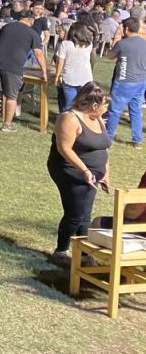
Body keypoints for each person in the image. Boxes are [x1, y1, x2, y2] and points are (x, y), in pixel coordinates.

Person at [47, 82, 112, 265]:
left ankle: (83, 254)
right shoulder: (69, 118)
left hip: (92, 174)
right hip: (70, 171)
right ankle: (61, 251)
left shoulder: (97, 119)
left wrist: (105, 172)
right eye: (105, 107)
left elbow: (103, 147)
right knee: (75, 213)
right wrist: (84, 170)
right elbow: (64, 148)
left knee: (85, 215)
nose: (107, 111)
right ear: (94, 105)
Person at [0, 9, 47, 133]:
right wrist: (44, 72)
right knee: (11, 96)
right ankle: (7, 125)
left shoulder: (7, 27)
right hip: (13, 66)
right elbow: (38, 53)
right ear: (31, 20)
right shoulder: (32, 33)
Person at [103, 16, 146, 148]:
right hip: (140, 81)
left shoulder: (122, 44)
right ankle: (137, 140)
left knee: (115, 110)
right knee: (135, 110)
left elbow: (110, 56)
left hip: (124, 81)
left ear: (126, 29)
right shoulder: (144, 43)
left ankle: (108, 138)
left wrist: (116, 40)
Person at [54, 20, 94, 114]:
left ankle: (67, 120)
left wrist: (57, 75)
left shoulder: (65, 44)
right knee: (83, 105)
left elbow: (60, 62)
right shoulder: (89, 44)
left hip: (70, 77)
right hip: (86, 77)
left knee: (69, 105)